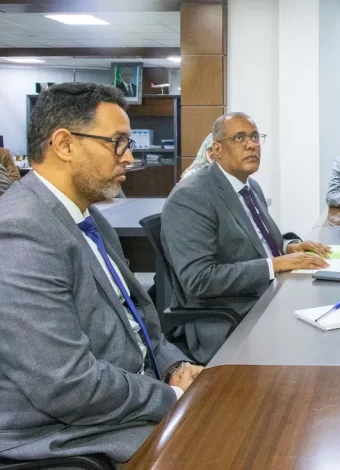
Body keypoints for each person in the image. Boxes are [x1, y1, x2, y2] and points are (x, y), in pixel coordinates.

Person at [0, 82, 201, 464]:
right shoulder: (20, 232)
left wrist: (174, 366)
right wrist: (172, 397)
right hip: (71, 435)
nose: (130, 158)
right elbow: (68, 386)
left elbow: (136, 322)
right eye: (117, 143)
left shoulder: (87, 216)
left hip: (125, 399)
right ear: (64, 144)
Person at [161, 112, 331, 363]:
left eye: (254, 137)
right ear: (216, 150)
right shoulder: (191, 196)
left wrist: (289, 247)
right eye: (239, 138)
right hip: (228, 315)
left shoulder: (250, 186)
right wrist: (274, 264)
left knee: (329, 307)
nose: (251, 145)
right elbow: (199, 279)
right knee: (317, 343)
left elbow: (258, 241)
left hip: (267, 295)